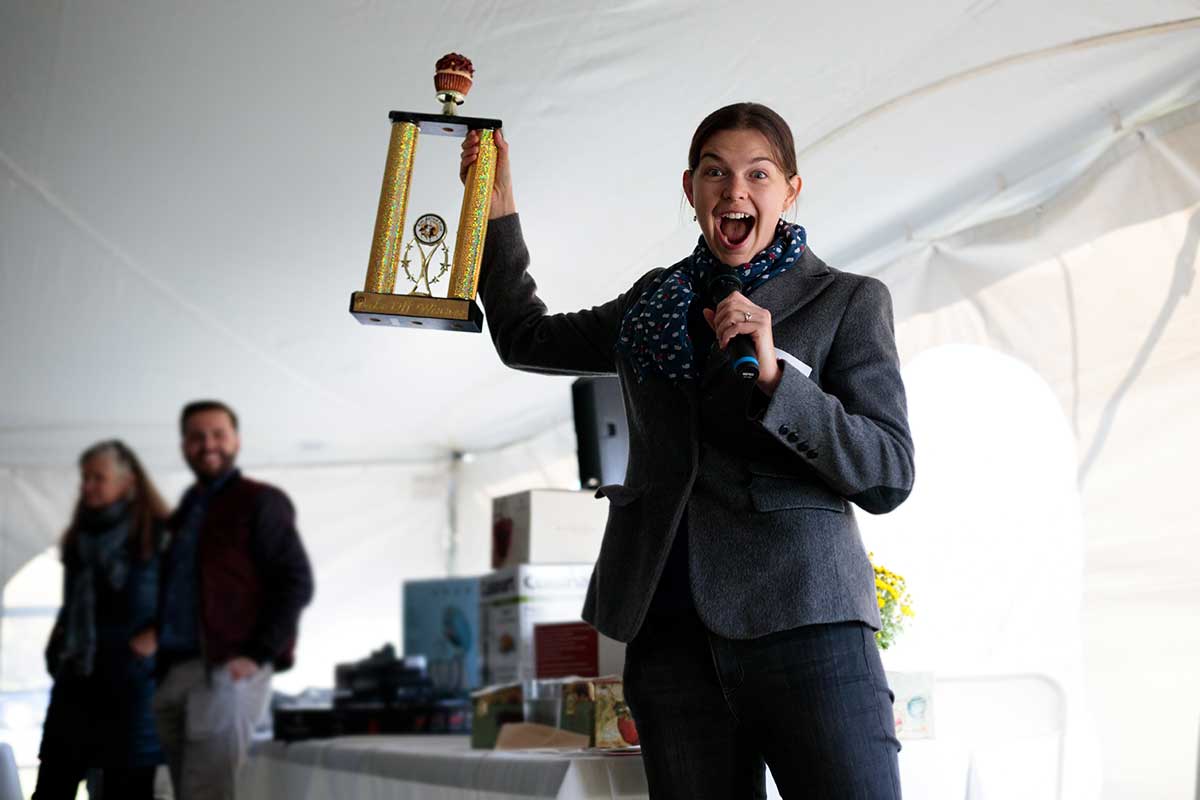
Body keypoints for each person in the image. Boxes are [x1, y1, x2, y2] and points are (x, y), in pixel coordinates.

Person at [461, 104, 915, 799]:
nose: (735, 191)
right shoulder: (653, 303)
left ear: (790, 190)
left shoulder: (846, 302)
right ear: (691, 190)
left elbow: (888, 473)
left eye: (757, 174)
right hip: (670, 639)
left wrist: (774, 381)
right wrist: (496, 215)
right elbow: (526, 337)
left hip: (808, 629)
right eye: (716, 173)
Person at [152, 400, 314, 800]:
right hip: (175, 671)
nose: (208, 444)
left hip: (226, 669)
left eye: (218, 434)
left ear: (236, 441)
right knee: (184, 792)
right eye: (196, 436)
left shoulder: (261, 501)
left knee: (205, 793)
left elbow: (295, 581)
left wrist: (257, 654)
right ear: (183, 446)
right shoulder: (187, 509)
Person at [34, 440, 166, 800]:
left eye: (98, 477)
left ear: (127, 482)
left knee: (125, 791)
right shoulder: (79, 538)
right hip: (76, 681)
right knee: (51, 789)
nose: (87, 486)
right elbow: (73, 604)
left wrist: (152, 639)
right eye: (84, 477)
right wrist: (58, 645)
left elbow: (192, 603)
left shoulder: (160, 534)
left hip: (131, 686)